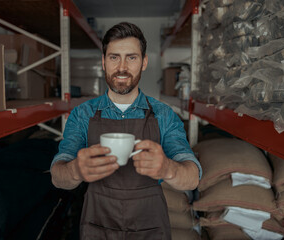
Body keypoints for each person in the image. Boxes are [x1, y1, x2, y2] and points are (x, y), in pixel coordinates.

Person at [50, 22, 202, 239]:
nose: (122, 67)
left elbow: (193, 177)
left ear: (144, 62)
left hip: (150, 226)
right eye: (114, 57)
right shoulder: (82, 114)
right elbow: (57, 176)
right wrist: (75, 170)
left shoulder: (164, 115)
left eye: (131, 57)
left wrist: (168, 168)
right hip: (97, 224)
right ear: (103, 62)